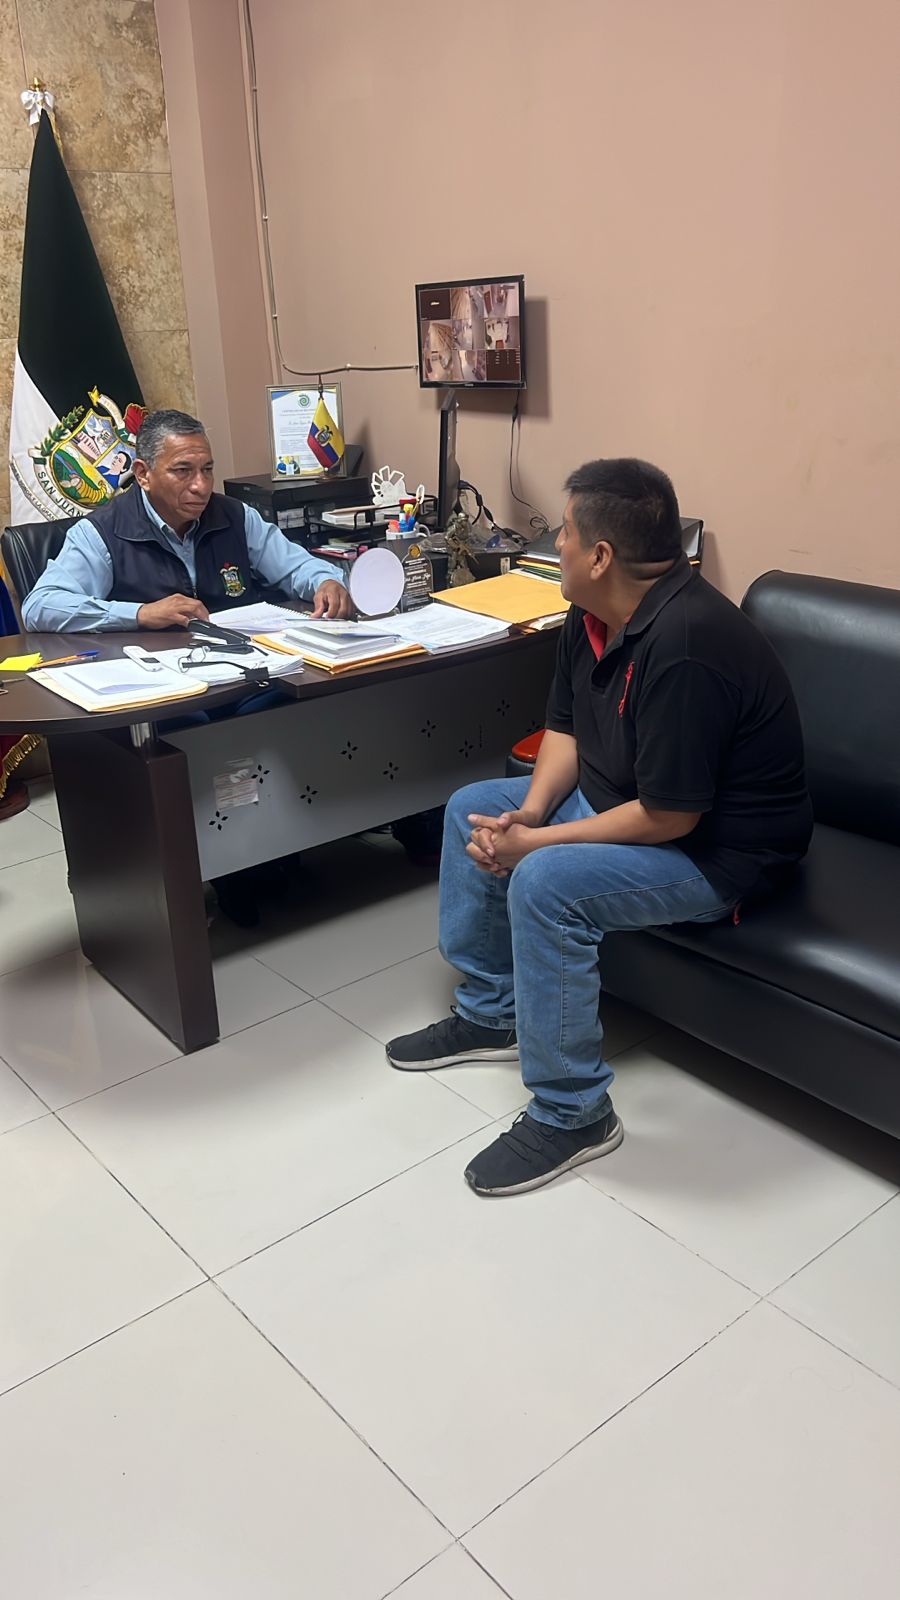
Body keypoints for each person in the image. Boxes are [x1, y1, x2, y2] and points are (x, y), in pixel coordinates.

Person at [387, 458, 813, 1197]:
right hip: (628, 802)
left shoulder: (687, 644)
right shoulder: (590, 614)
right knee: (470, 809)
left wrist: (534, 846)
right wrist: (526, 814)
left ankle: (574, 1112)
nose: (554, 543)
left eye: (563, 532)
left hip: (718, 852)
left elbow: (672, 815)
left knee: (546, 883)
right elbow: (566, 730)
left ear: (601, 555)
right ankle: (492, 1014)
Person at [21, 408, 351, 632]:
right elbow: (41, 606)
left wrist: (325, 582)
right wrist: (140, 613)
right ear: (143, 474)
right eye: (183, 471)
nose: (201, 485)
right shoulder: (103, 532)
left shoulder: (235, 516)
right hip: (157, 687)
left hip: (242, 671)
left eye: (207, 470)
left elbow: (296, 567)